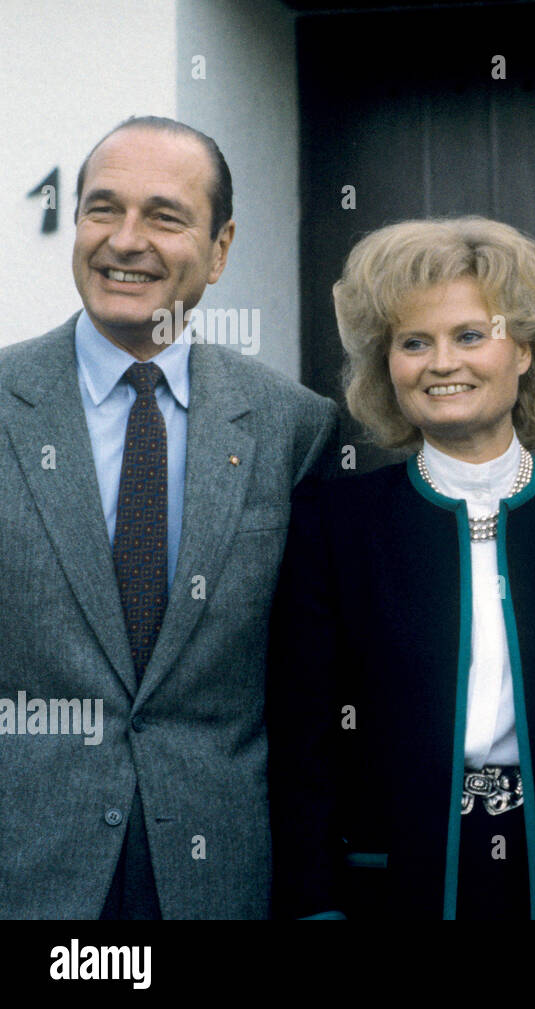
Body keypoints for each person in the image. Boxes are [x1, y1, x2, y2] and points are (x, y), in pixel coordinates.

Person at [268, 216, 535, 920]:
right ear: (388, 365)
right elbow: (304, 748)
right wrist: (316, 907)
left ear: (524, 349)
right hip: (395, 882)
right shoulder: (334, 526)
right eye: (414, 342)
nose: (442, 362)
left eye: (471, 335)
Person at [0, 116, 339, 919]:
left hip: (216, 876)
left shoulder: (294, 423)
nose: (125, 240)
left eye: (164, 216)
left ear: (219, 250)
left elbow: (304, 680)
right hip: (25, 874)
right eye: (101, 209)